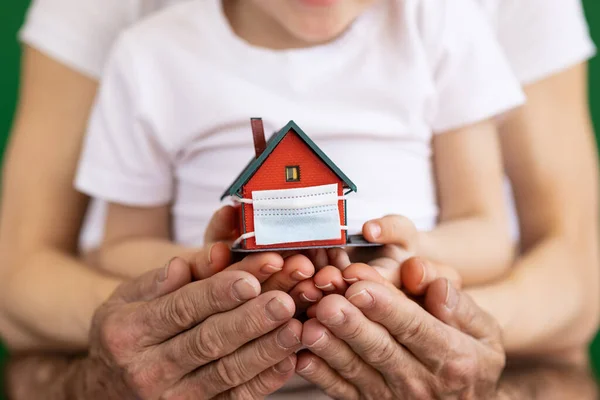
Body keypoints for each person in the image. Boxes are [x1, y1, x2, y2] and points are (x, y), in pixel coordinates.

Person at [0, 0, 598, 397]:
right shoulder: (148, 54)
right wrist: (208, 272)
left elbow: (487, 232)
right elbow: (121, 245)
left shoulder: (443, 30)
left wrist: (410, 263)